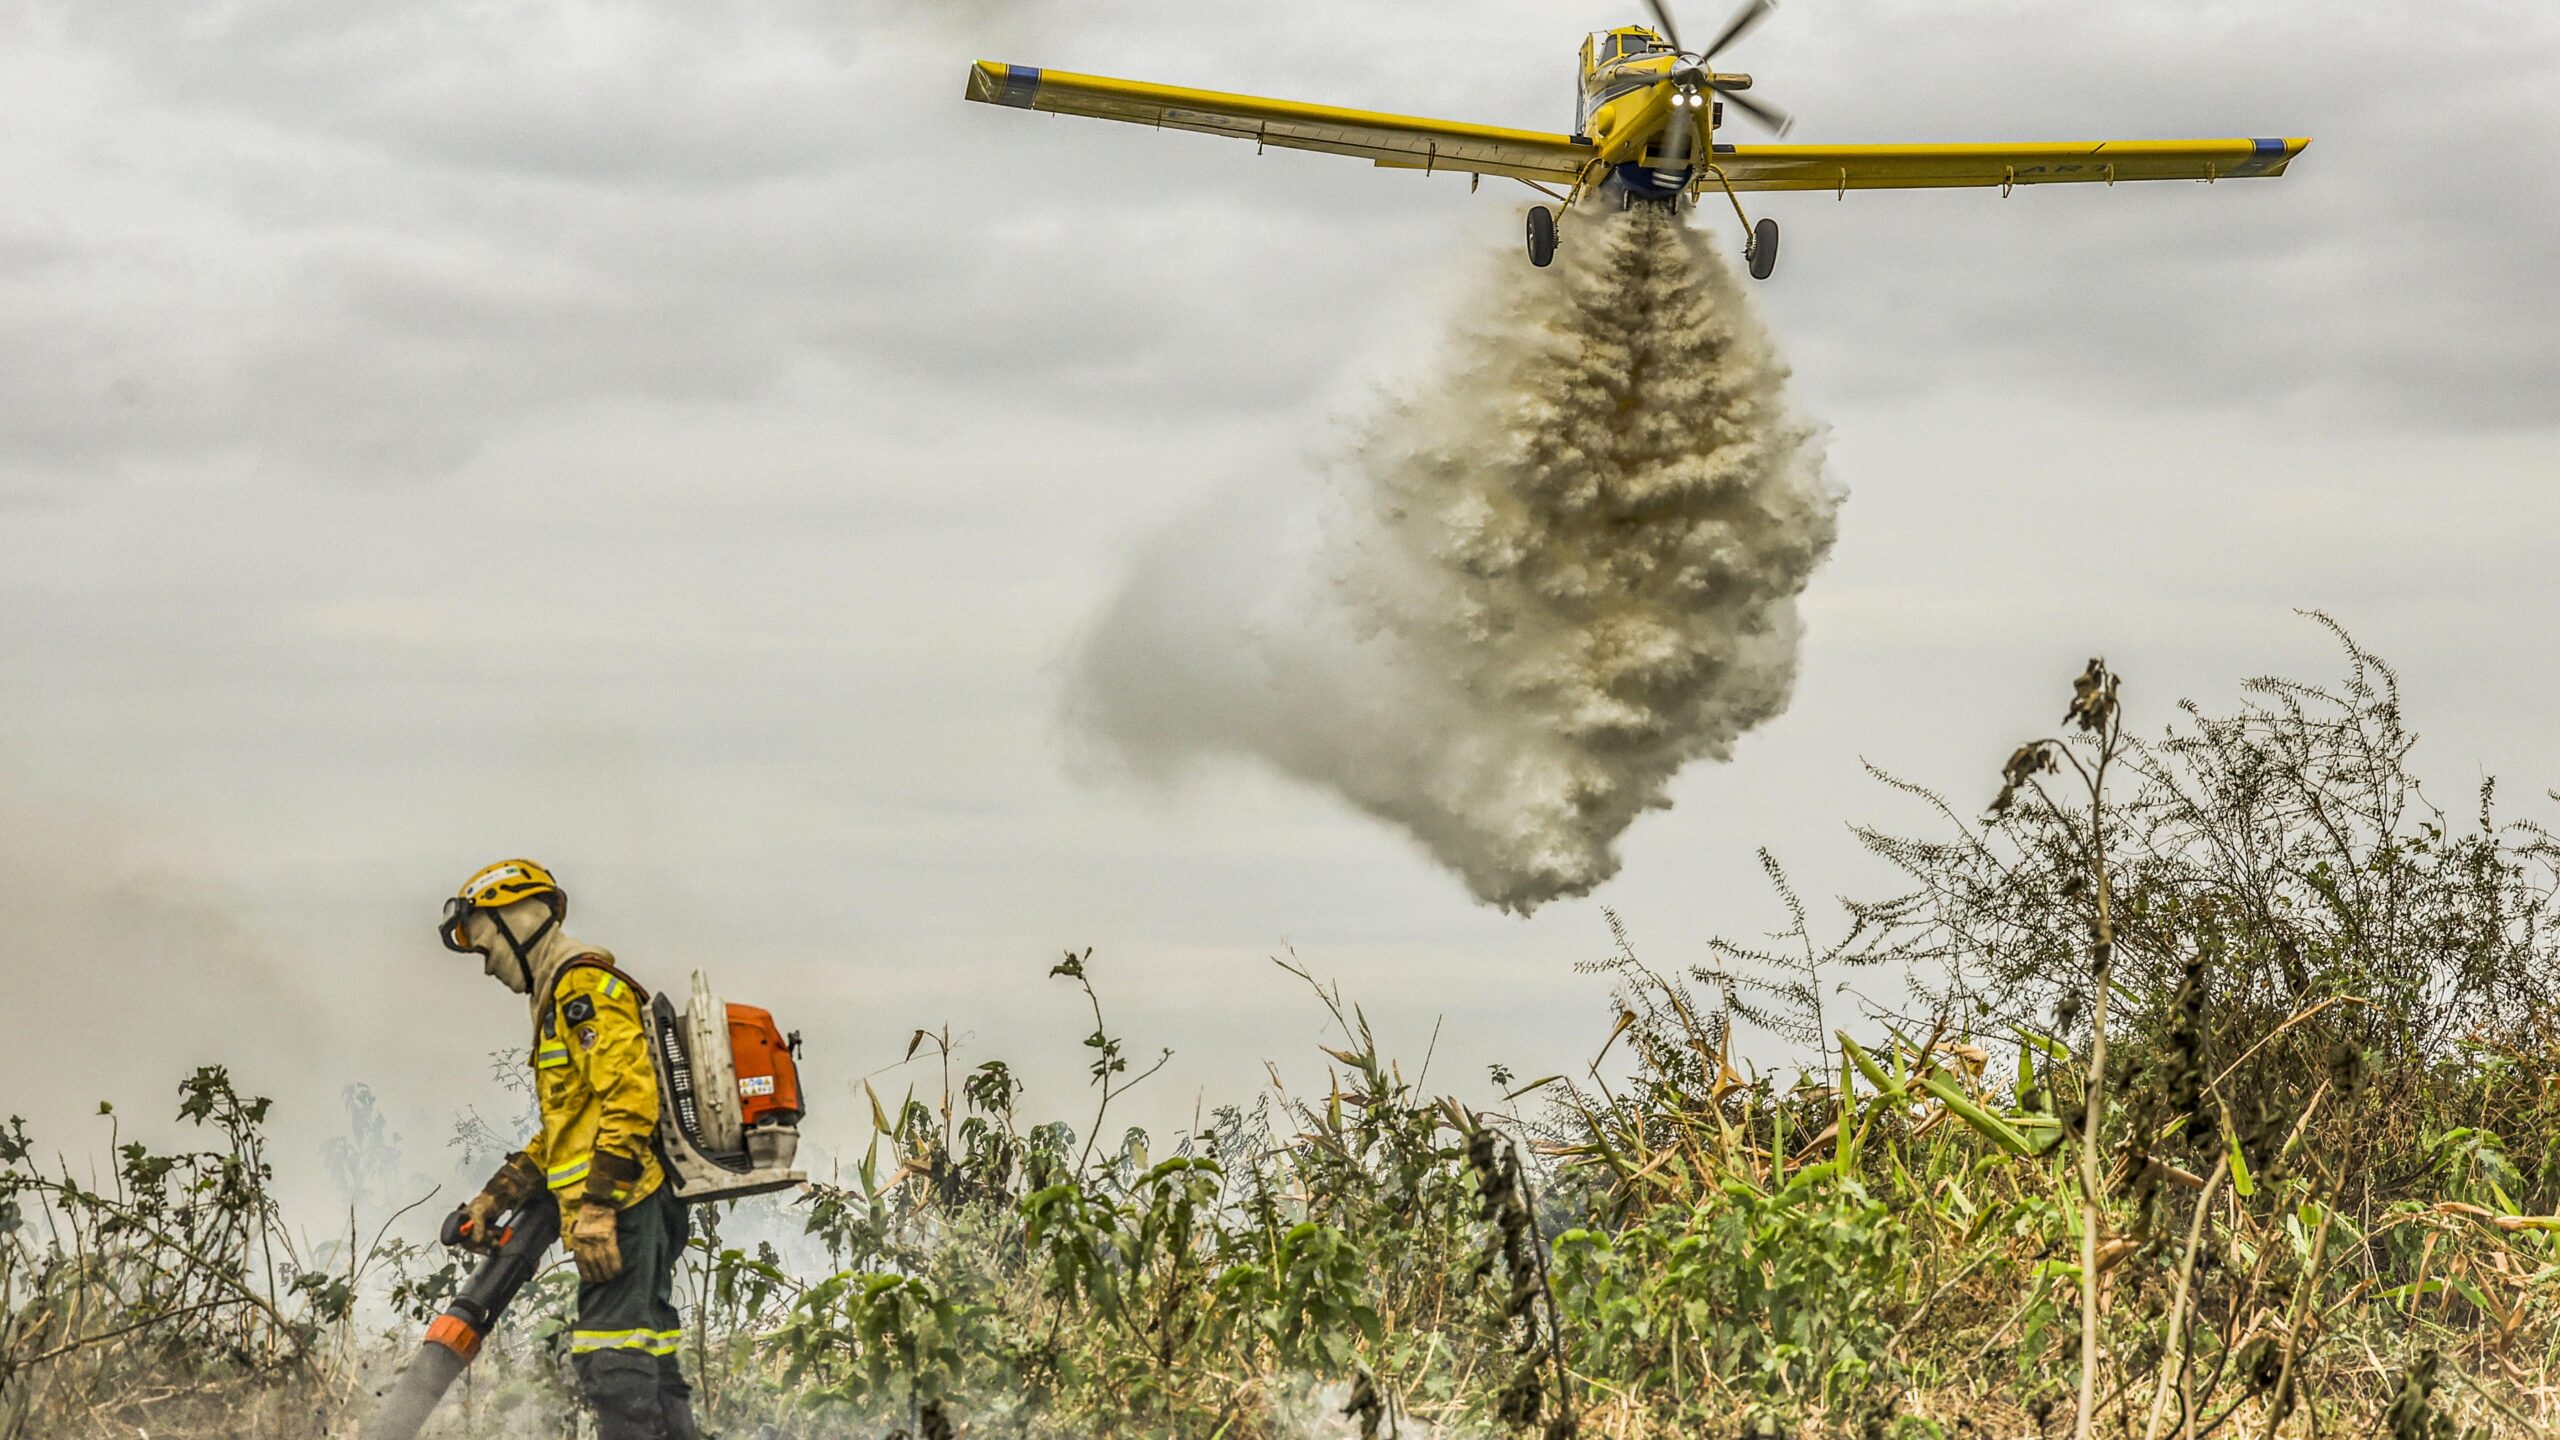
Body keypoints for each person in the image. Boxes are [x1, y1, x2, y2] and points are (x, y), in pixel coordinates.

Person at [438, 859, 699, 1440]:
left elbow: (630, 1099)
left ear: (516, 921)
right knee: (651, 1370)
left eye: (485, 949)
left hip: (624, 1209)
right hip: (629, 1209)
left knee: (614, 1366)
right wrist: (493, 1200)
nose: (486, 967)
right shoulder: (560, 996)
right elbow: (566, 1134)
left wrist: (599, 1207)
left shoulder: (581, 991)